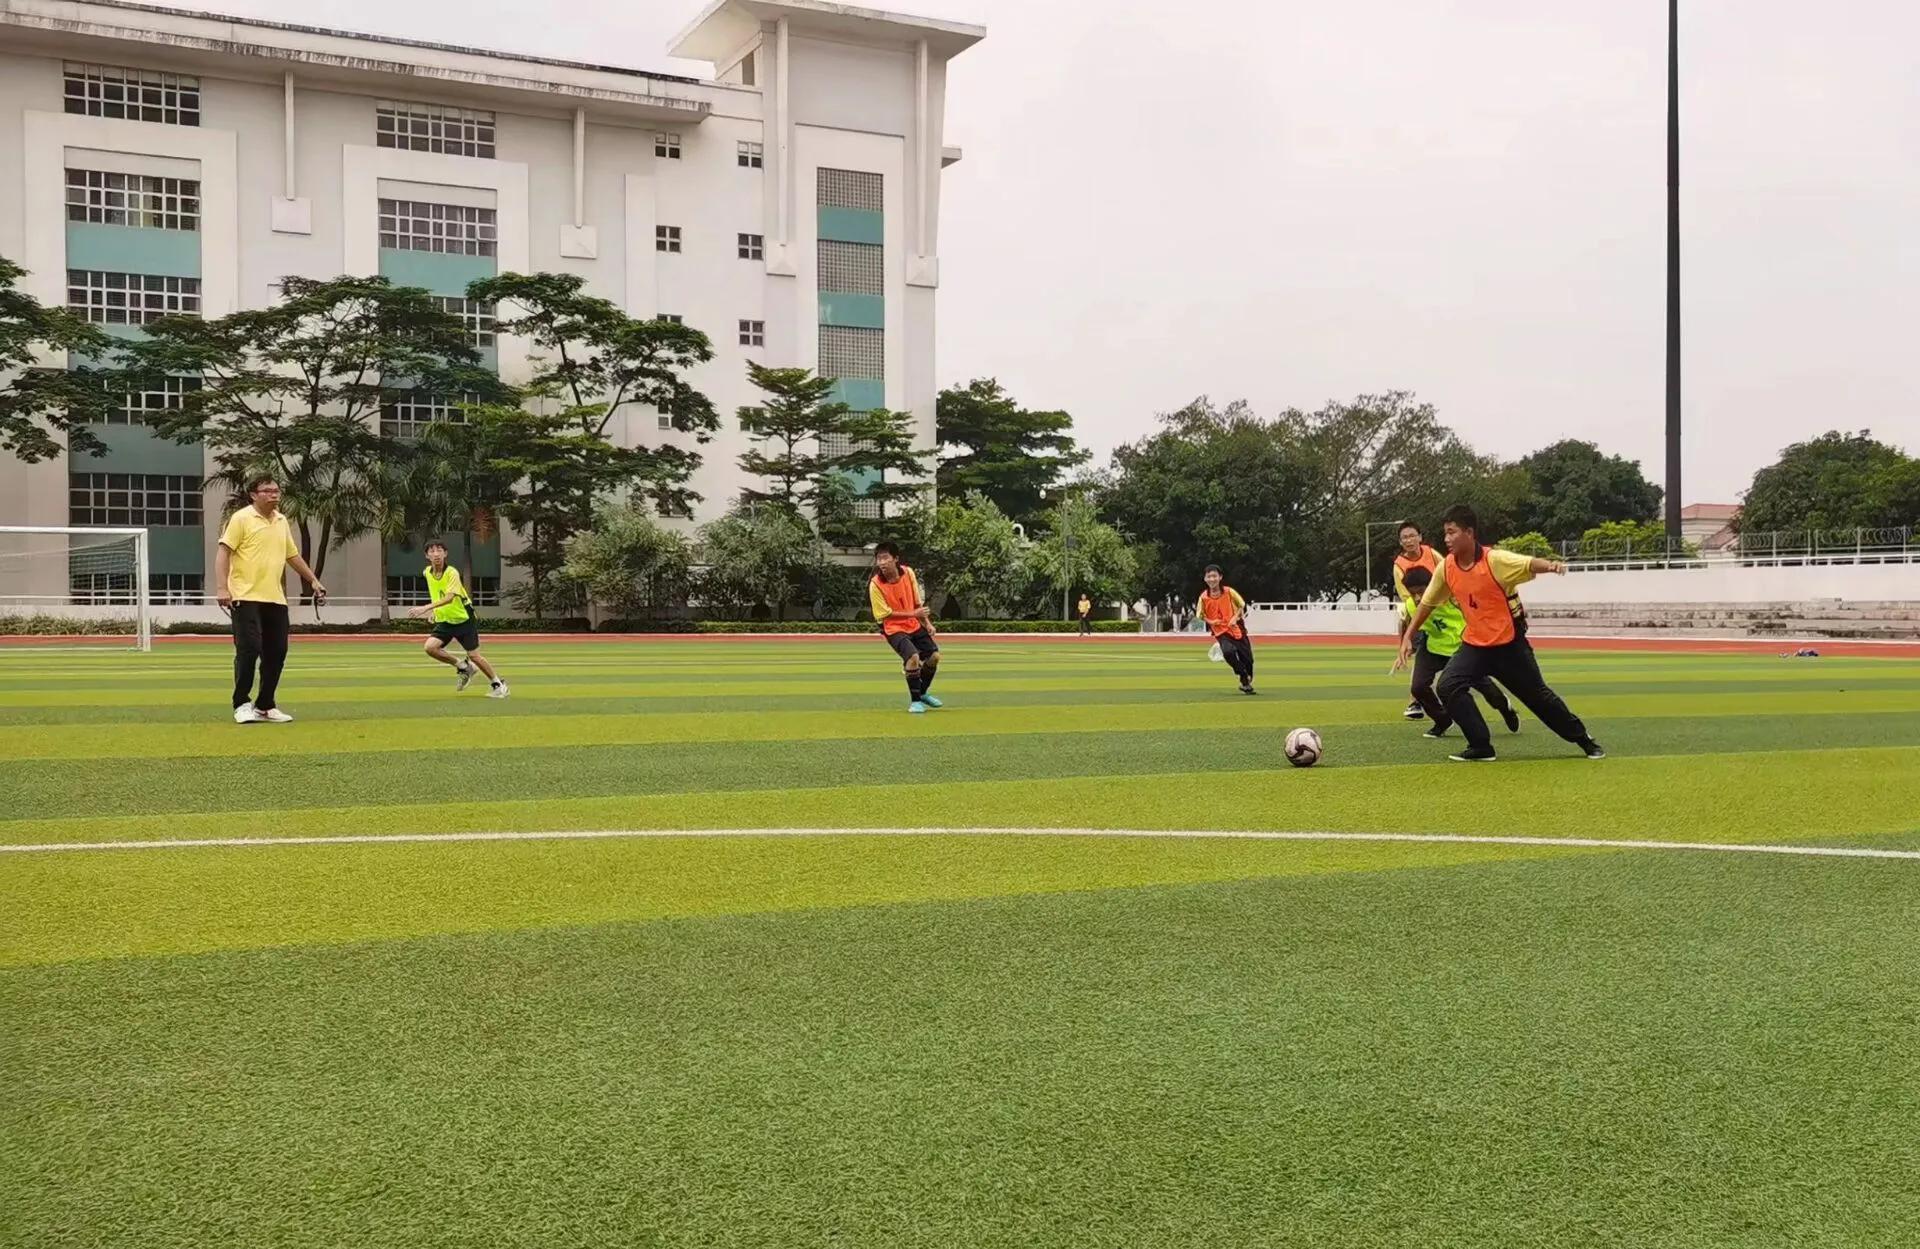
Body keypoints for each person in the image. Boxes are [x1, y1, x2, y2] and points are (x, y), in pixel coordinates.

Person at [1393, 505, 1605, 762]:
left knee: (1538, 698)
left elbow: (1526, 563)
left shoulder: (1494, 560)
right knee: (1448, 686)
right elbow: (1426, 603)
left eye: (1452, 532)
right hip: (1475, 645)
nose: (1447, 539)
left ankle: (1584, 739)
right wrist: (1407, 637)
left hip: (1508, 645)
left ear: (1469, 532)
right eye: (1445, 533)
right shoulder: (1446, 567)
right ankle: (1480, 745)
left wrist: (1551, 566)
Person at [215, 476, 325, 724]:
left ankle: (265, 705)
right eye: (267, 491)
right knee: (249, 649)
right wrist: (223, 587)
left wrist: (313, 580)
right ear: (253, 494)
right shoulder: (241, 518)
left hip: (275, 598)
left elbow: (292, 555)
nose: (274, 495)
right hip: (244, 595)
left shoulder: (282, 520)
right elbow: (223, 552)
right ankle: (241, 703)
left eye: (277, 490)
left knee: (277, 652)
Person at [1398, 563, 1520, 740]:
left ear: (1432, 585)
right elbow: (1411, 623)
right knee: (1418, 687)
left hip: (1461, 648)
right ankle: (1443, 720)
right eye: (1412, 593)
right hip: (1432, 647)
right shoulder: (1410, 605)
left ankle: (1504, 707)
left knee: (1484, 686)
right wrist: (1407, 642)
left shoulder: (1452, 597)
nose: (1417, 597)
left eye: (1421, 591)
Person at [407, 539, 509, 698]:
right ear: (427, 555)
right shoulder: (427, 572)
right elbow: (437, 592)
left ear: (445, 554)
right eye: (432, 551)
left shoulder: (451, 572)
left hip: (464, 618)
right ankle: (463, 666)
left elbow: (449, 597)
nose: (436, 554)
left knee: (474, 656)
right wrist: (435, 613)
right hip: (446, 620)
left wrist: (426, 608)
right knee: (430, 648)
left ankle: (499, 685)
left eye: (439, 550)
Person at [870, 542, 942, 713]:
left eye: (885, 558)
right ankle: (915, 702)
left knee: (934, 657)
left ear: (896, 559)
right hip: (893, 628)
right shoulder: (875, 584)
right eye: (879, 559)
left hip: (913, 624)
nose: (882, 563)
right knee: (913, 657)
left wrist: (928, 624)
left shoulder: (908, 573)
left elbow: (917, 603)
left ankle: (923, 692)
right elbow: (884, 614)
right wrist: (913, 614)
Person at [1392, 521, 1440, 720]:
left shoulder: (1432, 554)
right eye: (1404, 537)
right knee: (1422, 655)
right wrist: (1409, 634)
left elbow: (1448, 571)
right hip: (1419, 611)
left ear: (1420, 537)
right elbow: (1406, 598)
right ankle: (1415, 701)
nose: (1409, 540)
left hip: (1443, 606)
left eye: (1412, 536)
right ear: (1400, 542)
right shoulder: (1399, 565)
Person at [1198, 564, 1255, 694]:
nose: (1212, 579)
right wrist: (1212, 621)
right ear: (1205, 579)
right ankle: (1242, 676)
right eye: (1209, 576)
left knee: (1248, 659)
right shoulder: (1203, 597)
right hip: (1220, 631)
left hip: (1236, 628)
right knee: (1228, 652)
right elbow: (1200, 615)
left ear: (1220, 577)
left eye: (1214, 576)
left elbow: (1241, 605)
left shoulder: (1229, 592)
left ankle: (1246, 681)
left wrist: (1235, 618)